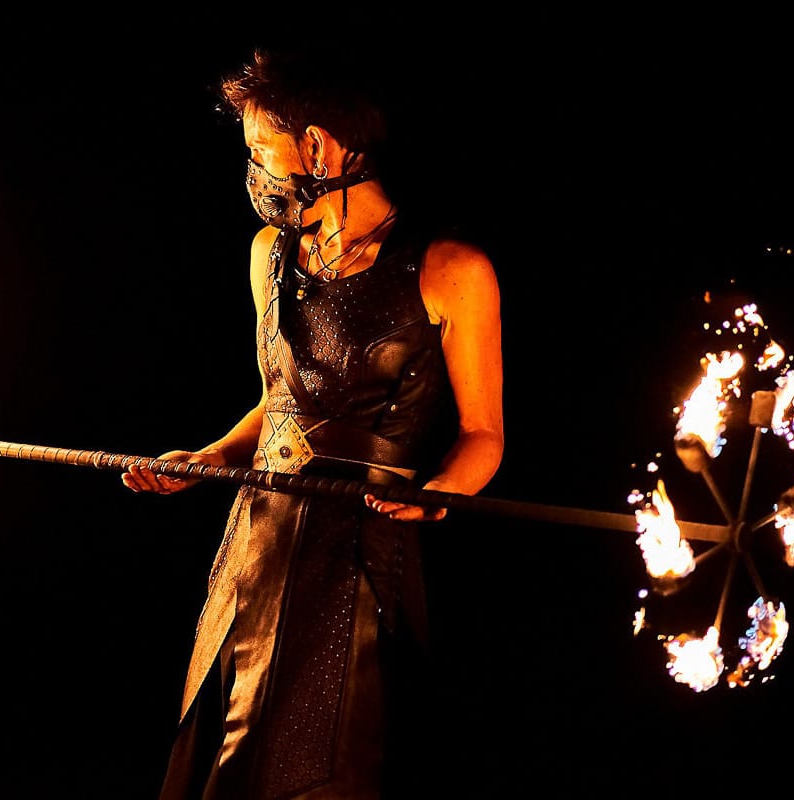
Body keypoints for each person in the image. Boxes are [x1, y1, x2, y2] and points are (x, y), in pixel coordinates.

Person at [121, 45, 504, 799]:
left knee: (319, 762)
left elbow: (484, 434)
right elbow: (281, 402)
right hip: (254, 546)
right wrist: (203, 459)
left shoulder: (450, 268)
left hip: (357, 557)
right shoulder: (270, 255)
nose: (254, 170)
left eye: (261, 149)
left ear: (320, 145)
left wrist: (443, 492)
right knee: (221, 757)